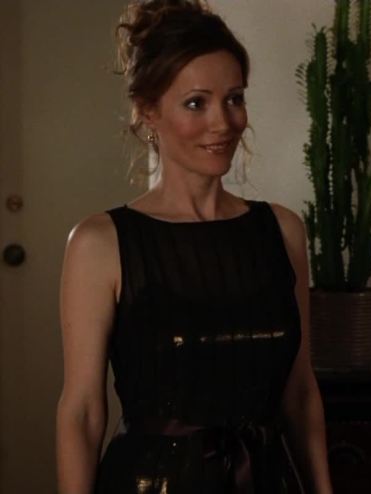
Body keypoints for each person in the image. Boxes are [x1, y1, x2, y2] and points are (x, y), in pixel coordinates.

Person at [54, 1, 333, 492]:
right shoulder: (100, 243)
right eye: (196, 103)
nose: (223, 122)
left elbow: (301, 391)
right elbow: (82, 412)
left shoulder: (283, 231)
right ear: (148, 110)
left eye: (234, 98)